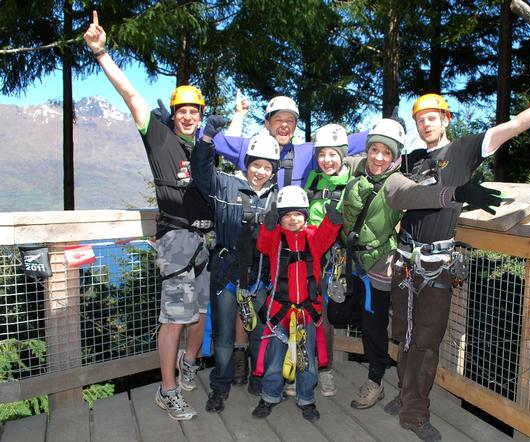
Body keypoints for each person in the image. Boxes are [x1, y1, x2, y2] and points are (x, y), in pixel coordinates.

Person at [386, 62, 530, 442]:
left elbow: (513, 126)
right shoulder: (411, 160)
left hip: (435, 264)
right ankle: (404, 394)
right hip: (405, 261)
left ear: (445, 119)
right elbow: (394, 191)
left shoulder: (463, 151)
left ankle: (414, 412)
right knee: (405, 333)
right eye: (420, 120)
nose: (426, 124)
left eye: (432, 118)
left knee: (427, 341)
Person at [84, 11, 215, 420]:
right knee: (174, 318)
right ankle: (167, 389)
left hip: (207, 243)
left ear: (201, 114)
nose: (188, 115)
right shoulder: (158, 136)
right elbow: (131, 96)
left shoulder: (208, 148)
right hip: (176, 240)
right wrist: (102, 52)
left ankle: (189, 363)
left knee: (200, 313)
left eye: (194, 111)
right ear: (173, 113)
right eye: (182, 110)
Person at [327, 118, 502, 412]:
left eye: (386, 152)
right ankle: (390, 381)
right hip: (352, 261)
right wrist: (331, 160)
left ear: (396, 157)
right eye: (374, 150)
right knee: (344, 313)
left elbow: (419, 195)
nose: (378, 157)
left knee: (374, 326)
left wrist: (457, 194)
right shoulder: (360, 168)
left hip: (380, 265)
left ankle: (375, 379)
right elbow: (343, 158)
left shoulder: (395, 182)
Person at [191, 127, 280, 413]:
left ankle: (259, 378)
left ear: (273, 170)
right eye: (256, 164)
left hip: (261, 275)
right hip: (227, 272)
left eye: (267, 167)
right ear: (247, 163)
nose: (260, 172)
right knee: (224, 334)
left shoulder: (278, 197)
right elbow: (201, 173)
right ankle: (220, 386)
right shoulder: (226, 185)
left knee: (260, 333)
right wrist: (206, 141)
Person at [251, 186, 343, 422]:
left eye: (298, 214)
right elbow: (262, 244)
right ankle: (270, 395)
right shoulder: (275, 240)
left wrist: (333, 220)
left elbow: (327, 236)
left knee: (306, 359)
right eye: (287, 215)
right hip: (280, 310)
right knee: (275, 356)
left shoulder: (312, 237)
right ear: (280, 218)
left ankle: (306, 398)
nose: (293, 219)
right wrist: (269, 226)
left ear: (305, 215)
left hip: (306, 311)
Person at [212, 96, 368, 187]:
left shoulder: (308, 154)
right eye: (278, 119)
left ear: (295, 126)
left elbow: (347, 142)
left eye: (290, 120)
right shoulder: (248, 148)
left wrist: (387, 128)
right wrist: (238, 116)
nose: (284, 125)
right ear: (267, 124)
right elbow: (210, 139)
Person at [303, 123, 352, 397]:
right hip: (309, 255)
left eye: (333, 154)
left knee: (325, 317)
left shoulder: (351, 183)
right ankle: (304, 365)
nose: (327, 160)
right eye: (322, 154)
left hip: (334, 258)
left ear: (343, 155)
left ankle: (325, 370)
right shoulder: (312, 179)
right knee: (304, 310)